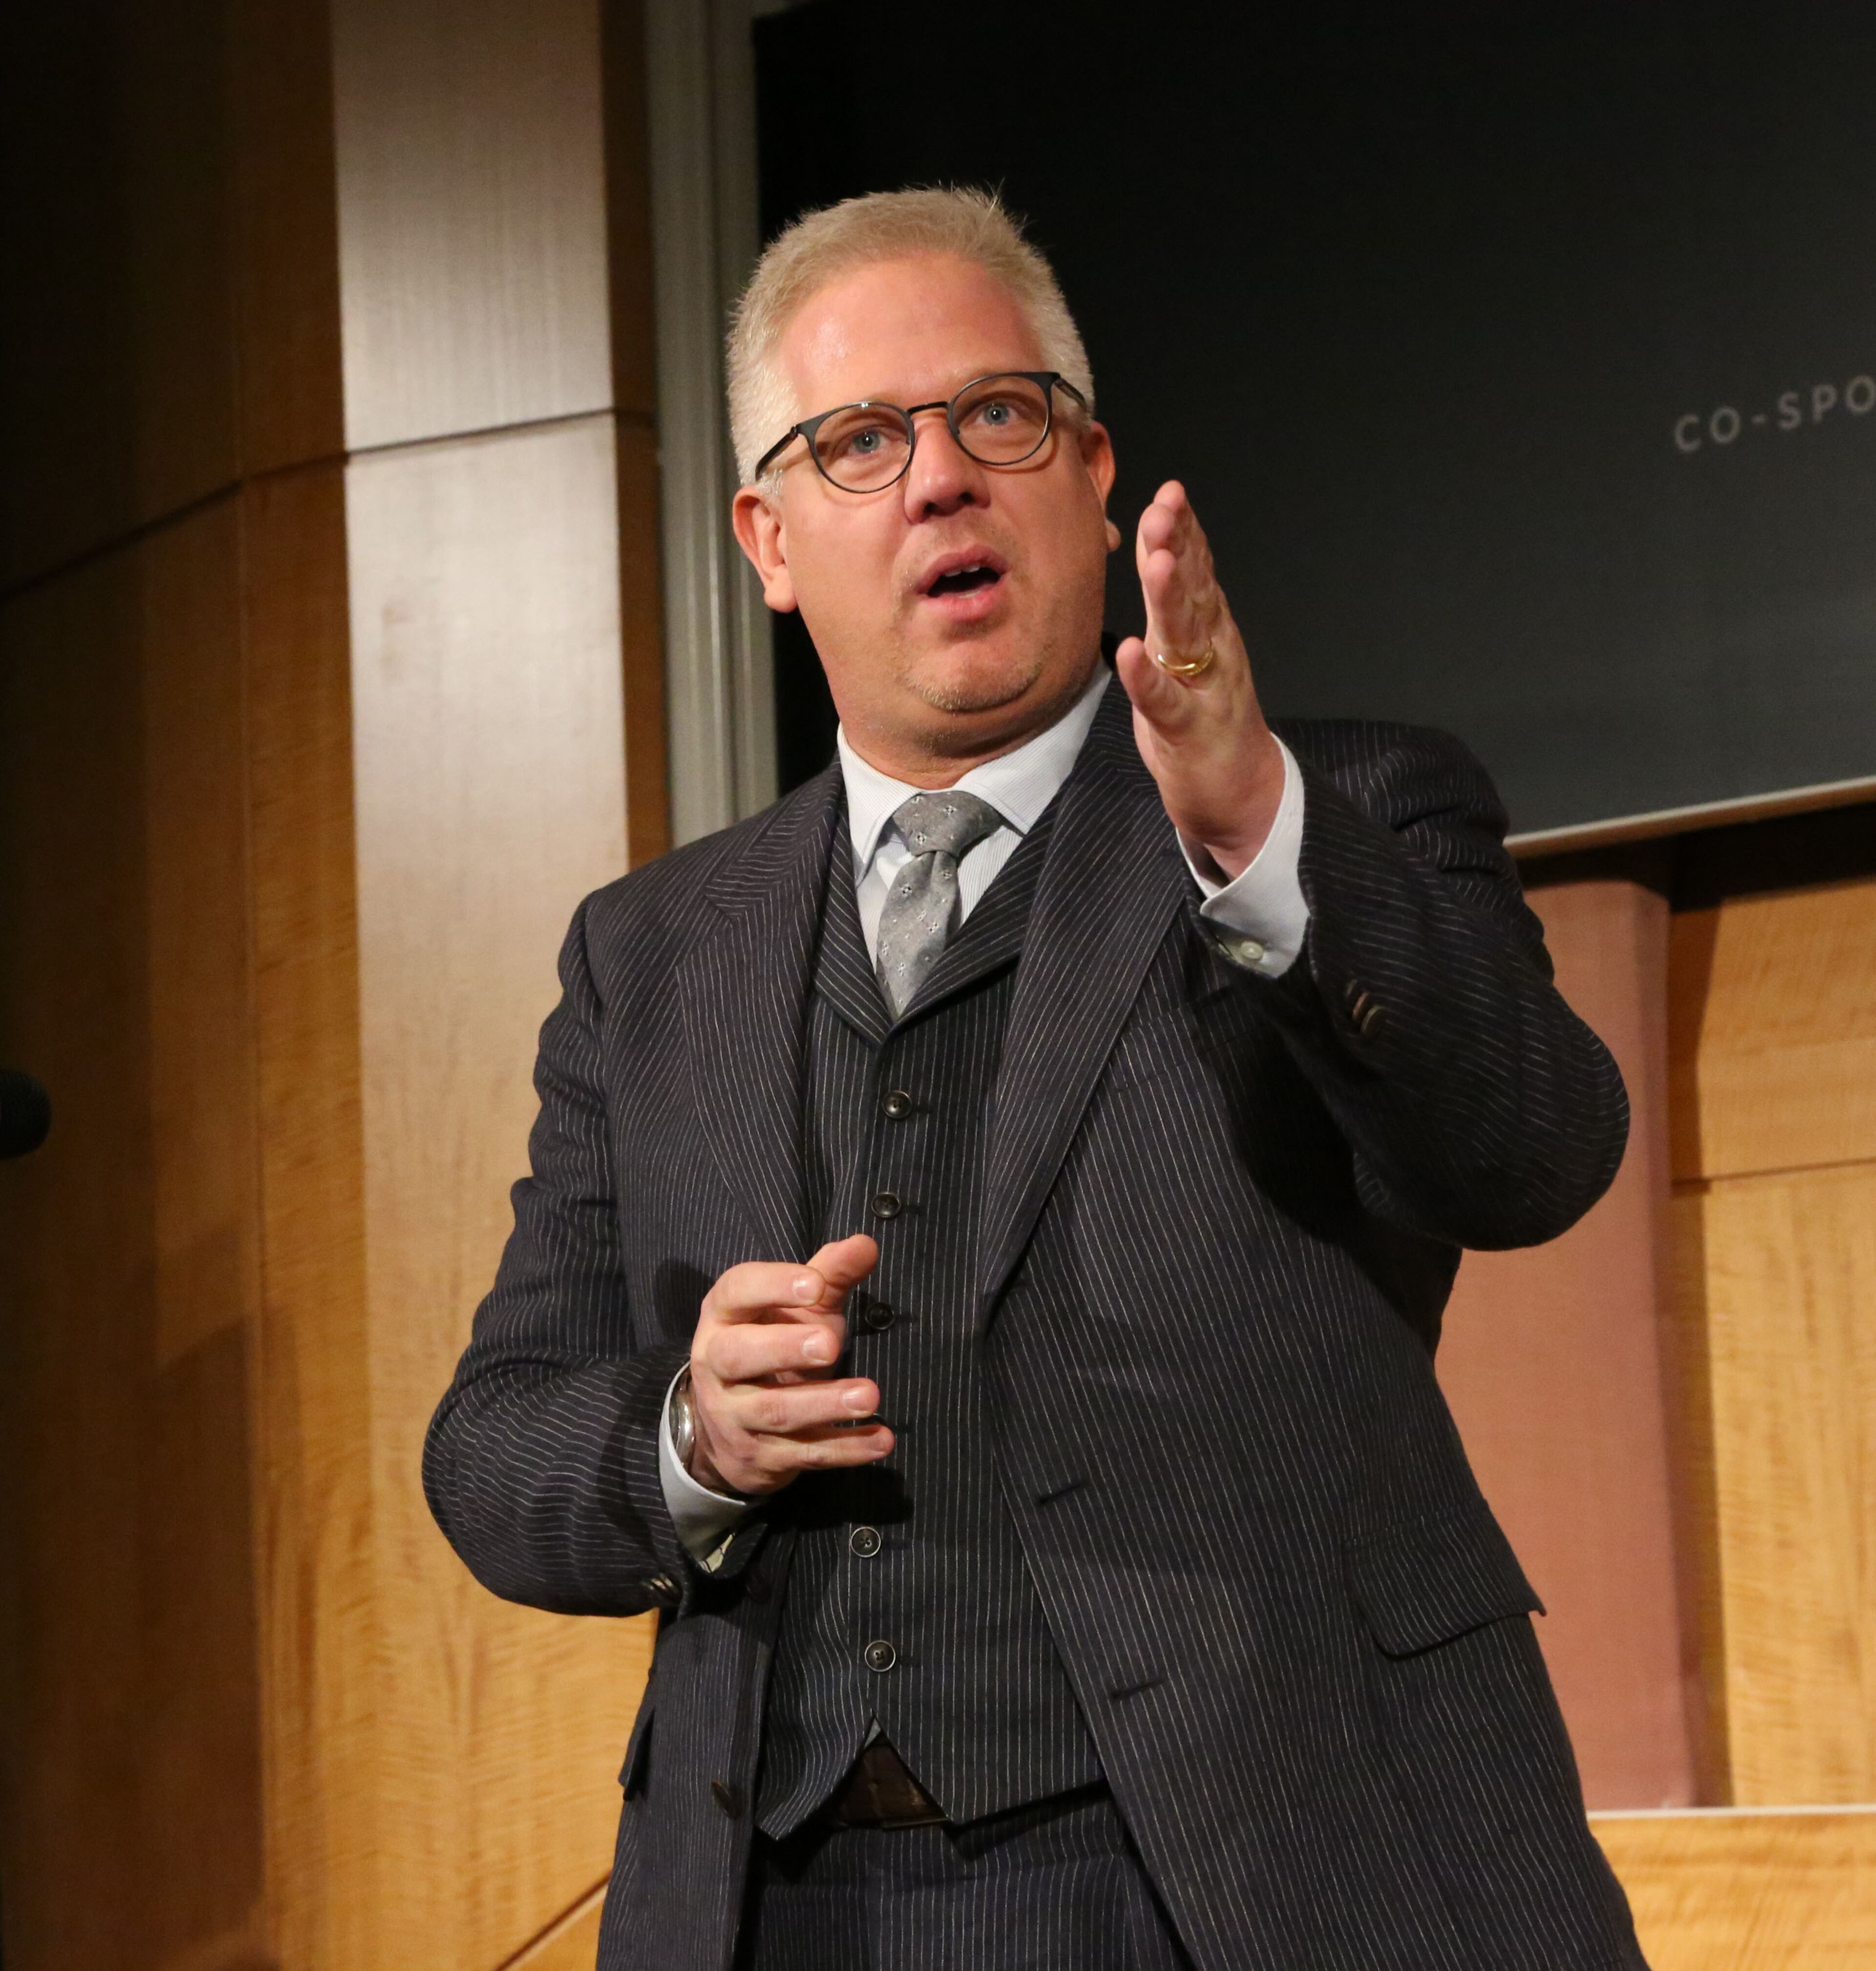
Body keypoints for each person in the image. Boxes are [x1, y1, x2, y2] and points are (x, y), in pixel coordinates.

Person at [425, 187, 1646, 1971]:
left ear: (1091, 471)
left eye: (996, 416)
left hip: (1268, 1873)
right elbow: (491, 1444)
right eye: (859, 440)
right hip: (782, 1904)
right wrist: (691, 1431)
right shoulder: (651, 953)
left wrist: (1260, 843)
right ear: (767, 538)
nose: (938, 479)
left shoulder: (1349, 813)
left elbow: (1537, 1148)